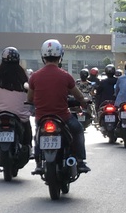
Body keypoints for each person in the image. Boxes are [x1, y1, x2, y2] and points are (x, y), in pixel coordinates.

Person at [27, 39, 91, 174]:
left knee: (38, 134)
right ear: (60, 56)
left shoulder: (35, 76)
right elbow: (79, 96)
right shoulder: (65, 76)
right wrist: (83, 102)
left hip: (42, 118)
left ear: (43, 57)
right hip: (63, 117)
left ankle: (38, 163)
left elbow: (30, 98)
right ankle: (80, 161)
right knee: (78, 130)